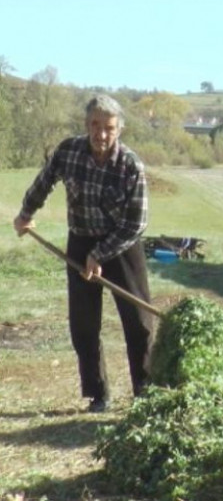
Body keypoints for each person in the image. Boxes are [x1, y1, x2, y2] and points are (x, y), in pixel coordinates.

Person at [12, 94, 155, 413]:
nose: (101, 134)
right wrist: (26, 213)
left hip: (122, 246)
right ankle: (98, 394)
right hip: (80, 241)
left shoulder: (130, 165)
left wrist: (101, 254)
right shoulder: (69, 151)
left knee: (139, 322)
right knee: (84, 325)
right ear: (86, 123)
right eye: (95, 125)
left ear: (119, 129)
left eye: (109, 128)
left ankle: (146, 393)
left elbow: (136, 223)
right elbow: (44, 182)